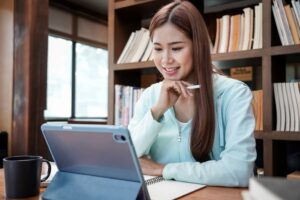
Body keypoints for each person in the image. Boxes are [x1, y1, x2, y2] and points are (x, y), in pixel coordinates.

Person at [128, 0, 256, 187]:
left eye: (177, 48)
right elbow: (129, 157)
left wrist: (162, 169)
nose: (165, 60)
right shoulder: (150, 96)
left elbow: (239, 171)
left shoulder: (234, 93)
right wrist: (157, 111)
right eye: (157, 49)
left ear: (198, 46)